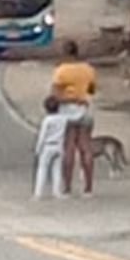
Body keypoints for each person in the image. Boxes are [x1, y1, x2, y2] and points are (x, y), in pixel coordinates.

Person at [50, 40, 99, 196]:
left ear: (64, 52)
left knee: (69, 148)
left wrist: (71, 99)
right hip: (85, 109)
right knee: (85, 148)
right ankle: (88, 188)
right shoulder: (88, 69)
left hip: (67, 111)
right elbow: (92, 90)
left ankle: (67, 188)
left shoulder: (61, 71)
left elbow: (56, 96)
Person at [33, 96, 74, 199]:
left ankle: (38, 193)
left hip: (48, 145)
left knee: (42, 168)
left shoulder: (47, 120)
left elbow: (42, 135)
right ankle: (56, 192)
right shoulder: (63, 119)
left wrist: (38, 149)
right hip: (59, 145)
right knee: (57, 169)